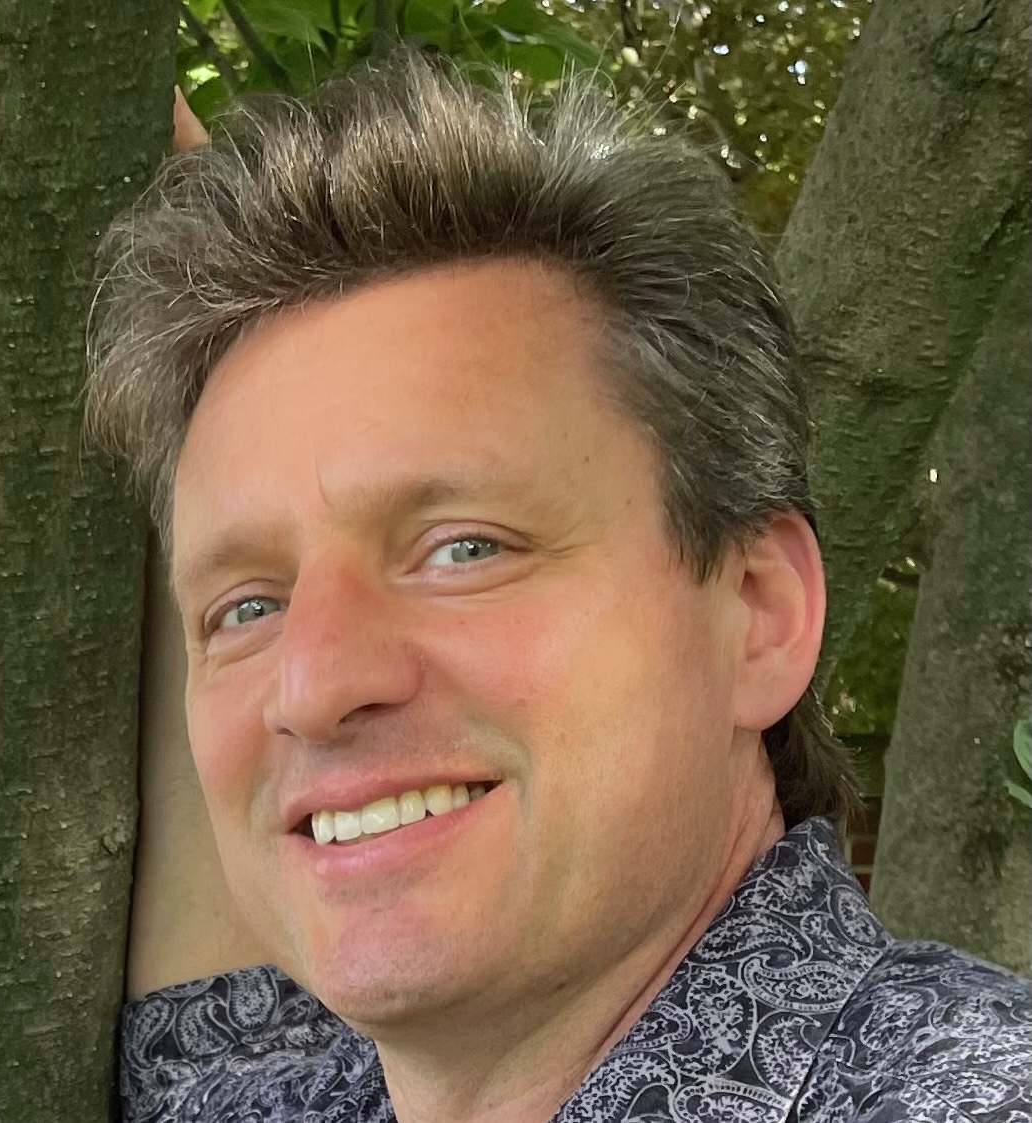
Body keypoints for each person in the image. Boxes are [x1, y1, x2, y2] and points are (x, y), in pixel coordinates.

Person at [86, 53, 1031, 1123]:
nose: (313, 685)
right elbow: (196, 1038)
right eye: (250, 608)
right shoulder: (281, 1102)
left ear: (759, 613)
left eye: (463, 549)